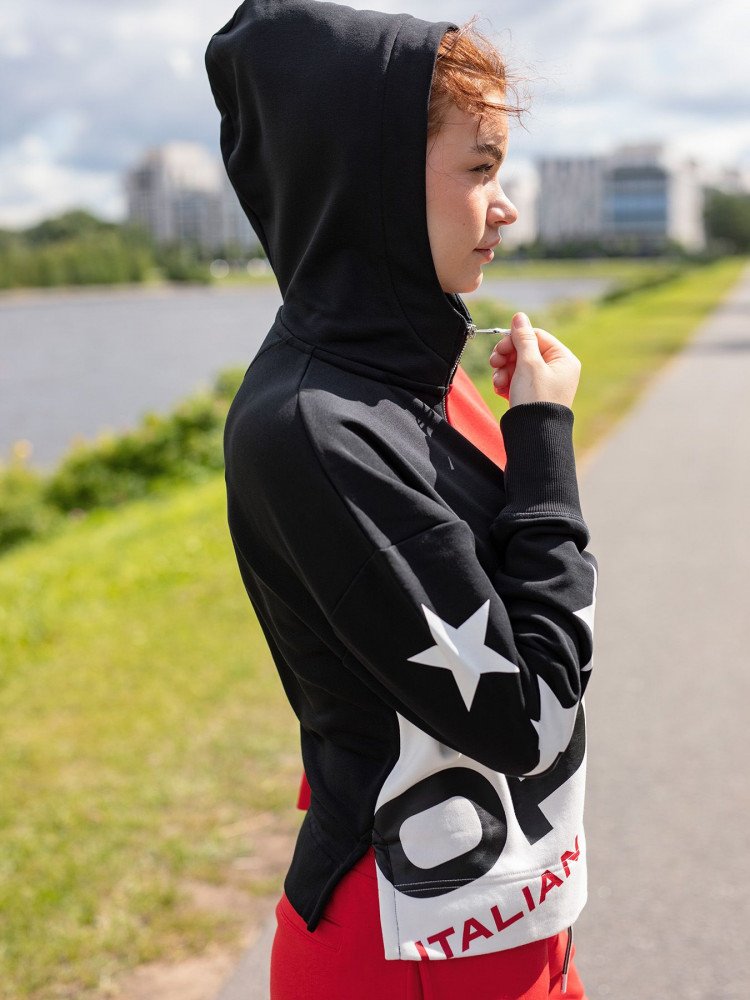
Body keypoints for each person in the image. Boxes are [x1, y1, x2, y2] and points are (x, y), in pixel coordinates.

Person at [205, 2, 597, 997]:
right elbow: (530, 718)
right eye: (480, 168)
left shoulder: (420, 375)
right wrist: (543, 441)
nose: (505, 208)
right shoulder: (316, 429)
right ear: (370, 180)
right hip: (408, 953)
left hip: (516, 917)